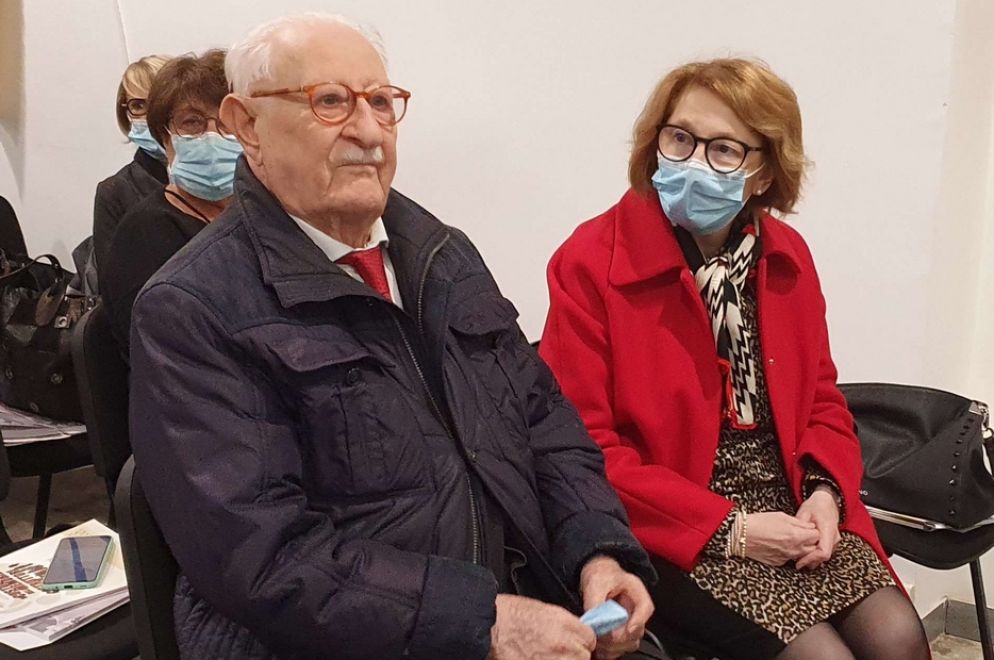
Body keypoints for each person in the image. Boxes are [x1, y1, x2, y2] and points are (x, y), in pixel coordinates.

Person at [128, 14, 658, 660]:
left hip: (519, 602)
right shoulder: (192, 308)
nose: (368, 130)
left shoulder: (443, 255)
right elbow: (263, 559)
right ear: (247, 125)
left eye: (381, 101)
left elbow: (544, 421)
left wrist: (596, 549)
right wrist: (480, 621)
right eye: (330, 102)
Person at [540, 59, 930, 660]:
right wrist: (734, 529)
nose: (694, 162)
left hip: (793, 503)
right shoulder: (591, 260)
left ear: (763, 172)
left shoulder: (786, 256)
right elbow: (584, 447)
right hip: (676, 521)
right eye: (680, 138)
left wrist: (826, 494)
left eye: (724, 149)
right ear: (655, 142)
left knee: (900, 638)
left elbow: (823, 399)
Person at [100, 49, 241, 360]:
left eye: (227, 122)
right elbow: (165, 354)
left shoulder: (258, 210)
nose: (212, 135)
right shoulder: (145, 235)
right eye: (192, 122)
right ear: (164, 136)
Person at [92, 55, 171, 272]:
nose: (152, 115)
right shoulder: (115, 193)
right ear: (125, 113)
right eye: (138, 105)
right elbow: (113, 286)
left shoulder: (220, 177)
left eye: (159, 102)